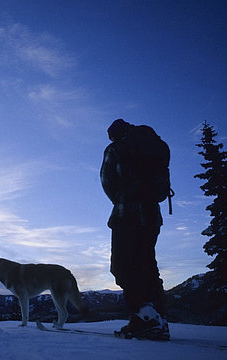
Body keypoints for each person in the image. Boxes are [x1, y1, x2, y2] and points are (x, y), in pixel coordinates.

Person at [100, 119, 170, 340]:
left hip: (127, 214)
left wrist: (122, 198)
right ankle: (160, 322)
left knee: (122, 266)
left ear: (113, 135)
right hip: (152, 216)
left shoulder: (115, 149)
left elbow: (107, 181)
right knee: (148, 266)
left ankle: (144, 318)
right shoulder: (149, 146)